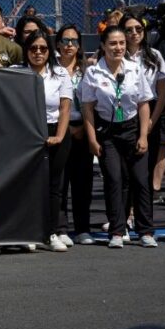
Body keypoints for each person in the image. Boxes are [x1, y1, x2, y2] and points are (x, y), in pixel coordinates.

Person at [79, 26, 157, 249]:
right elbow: (87, 109)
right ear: (103, 46)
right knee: (114, 180)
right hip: (107, 133)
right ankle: (117, 230)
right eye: (112, 43)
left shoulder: (134, 69)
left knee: (141, 180)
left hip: (133, 129)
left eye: (122, 43)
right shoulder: (93, 73)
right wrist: (92, 139)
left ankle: (145, 231)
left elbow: (143, 103)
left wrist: (143, 135)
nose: (118, 47)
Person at [19, 31, 73, 251]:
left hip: (55, 130)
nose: (38, 53)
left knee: (54, 186)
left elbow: (65, 107)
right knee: (28, 186)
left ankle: (50, 232)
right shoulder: (17, 72)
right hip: (27, 132)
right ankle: (28, 232)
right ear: (26, 51)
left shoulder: (60, 73)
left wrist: (59, 136)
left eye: (43, 48)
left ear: (50, 51)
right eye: (33, 48)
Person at [121, 14, 165, 215]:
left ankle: (142, 214)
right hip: (123, 115)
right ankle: (125, 214)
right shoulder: (115, 53)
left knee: (145, 170)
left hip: (150, 115)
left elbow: (162, 91)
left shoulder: (154, 55)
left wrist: (151, 120)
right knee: (124, 170)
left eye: (138, 29)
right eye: (129, 29)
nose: (134, 33)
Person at [55, 24, 93, 244]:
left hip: (83, 128)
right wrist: (66, 128)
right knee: (60, 182)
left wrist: (80, 128)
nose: (70, 45)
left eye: (74, 41)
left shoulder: (87, 70)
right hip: (60, 129)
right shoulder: (52, 69)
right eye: (65, 40)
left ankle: (83, 228)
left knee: (82, 182)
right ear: (58, 43)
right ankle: (61, 228)